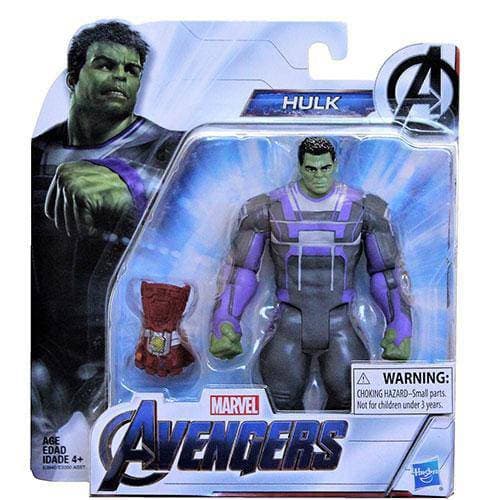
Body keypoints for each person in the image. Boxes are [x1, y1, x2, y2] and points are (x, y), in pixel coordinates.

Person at [31, 21, 183, 434]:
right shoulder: (34, 154)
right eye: (105, 65)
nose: (120, 77)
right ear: (73, 77)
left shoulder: (172, 148)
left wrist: (131, 182)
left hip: (132, 356)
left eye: (131, 70)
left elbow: (205, 205)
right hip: (45, 363)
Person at [209, 136, 412, 411]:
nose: (318, 176)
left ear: (335, 165)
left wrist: (400, 324)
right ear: (300, 167)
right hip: (288, 323)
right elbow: (241, 270)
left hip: (341, 323)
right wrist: (225, 320)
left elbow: (386, 272)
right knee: (280, 402)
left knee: (350, 400)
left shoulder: (364, 210)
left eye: (325, 168)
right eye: (311, 169)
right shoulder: (268, 208)